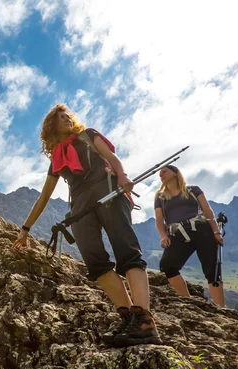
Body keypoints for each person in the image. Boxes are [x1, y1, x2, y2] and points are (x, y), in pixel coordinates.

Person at [12, 104, 162, 347]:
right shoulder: (56, 160)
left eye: (67, 115)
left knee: (126, 249)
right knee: (94, 261)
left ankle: (144, 321)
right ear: (51, 126)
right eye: (60, 118)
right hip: (81, 205)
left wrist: (122, 176)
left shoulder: (88, 135)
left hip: (108, 189)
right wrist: (26, 228)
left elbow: (112, 158)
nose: (67, 119)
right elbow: (44, 197)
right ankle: (128, 318)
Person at [154, 165, 225, 306]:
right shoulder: (160, 197)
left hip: (202, 230)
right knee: (167, 265)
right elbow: (159, 219)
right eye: (159, 174)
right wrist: (163, 236)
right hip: (178, 233)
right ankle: (188, 302)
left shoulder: (193, 190)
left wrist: (216, 231)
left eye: (164, 172)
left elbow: (207, 210)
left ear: (175, 173)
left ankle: (222, 309)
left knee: (212, 268)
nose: (161, 175)